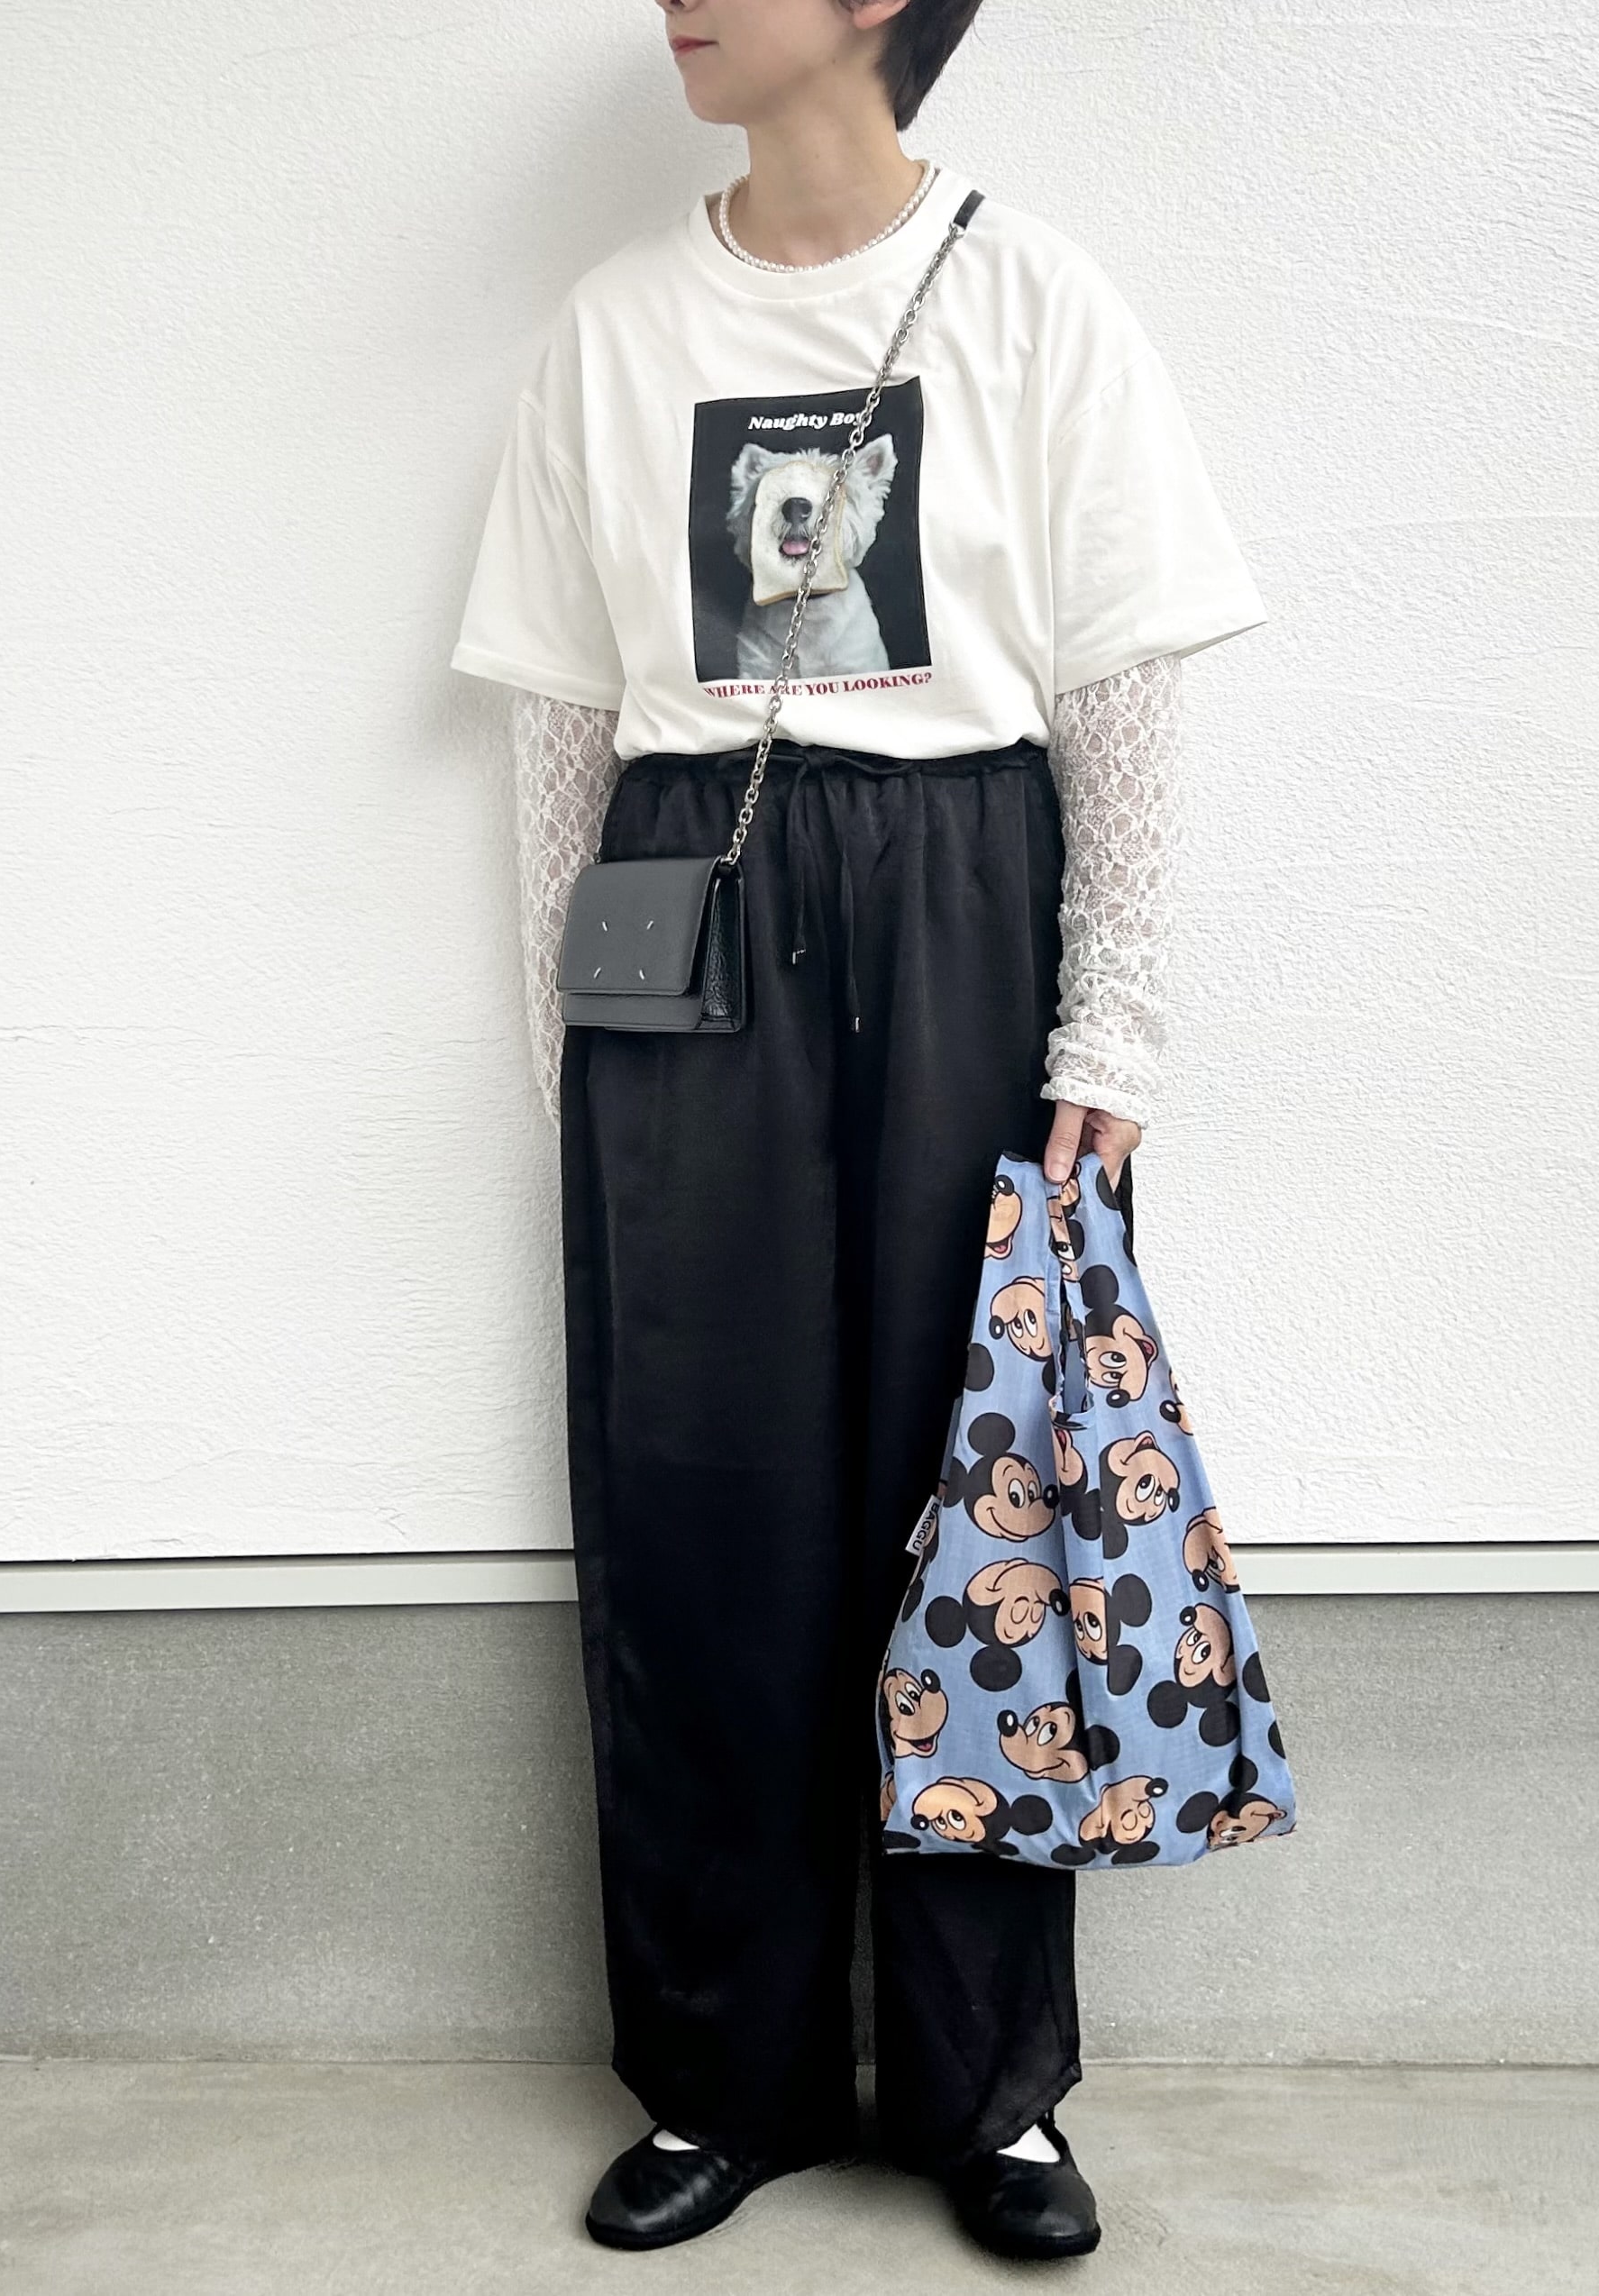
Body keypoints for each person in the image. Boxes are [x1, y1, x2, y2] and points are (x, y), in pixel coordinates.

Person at [448, 0, 1267, 2261]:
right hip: (687, 912)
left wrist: (1111, 1022)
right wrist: (566, 1048)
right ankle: (721, 2071)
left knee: (975, 1501)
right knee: (695, 1493)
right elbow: (561, 721)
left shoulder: (1031, 298)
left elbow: (1117, 687)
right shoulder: (613, 330)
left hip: (966, 900)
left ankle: (988, 2087)